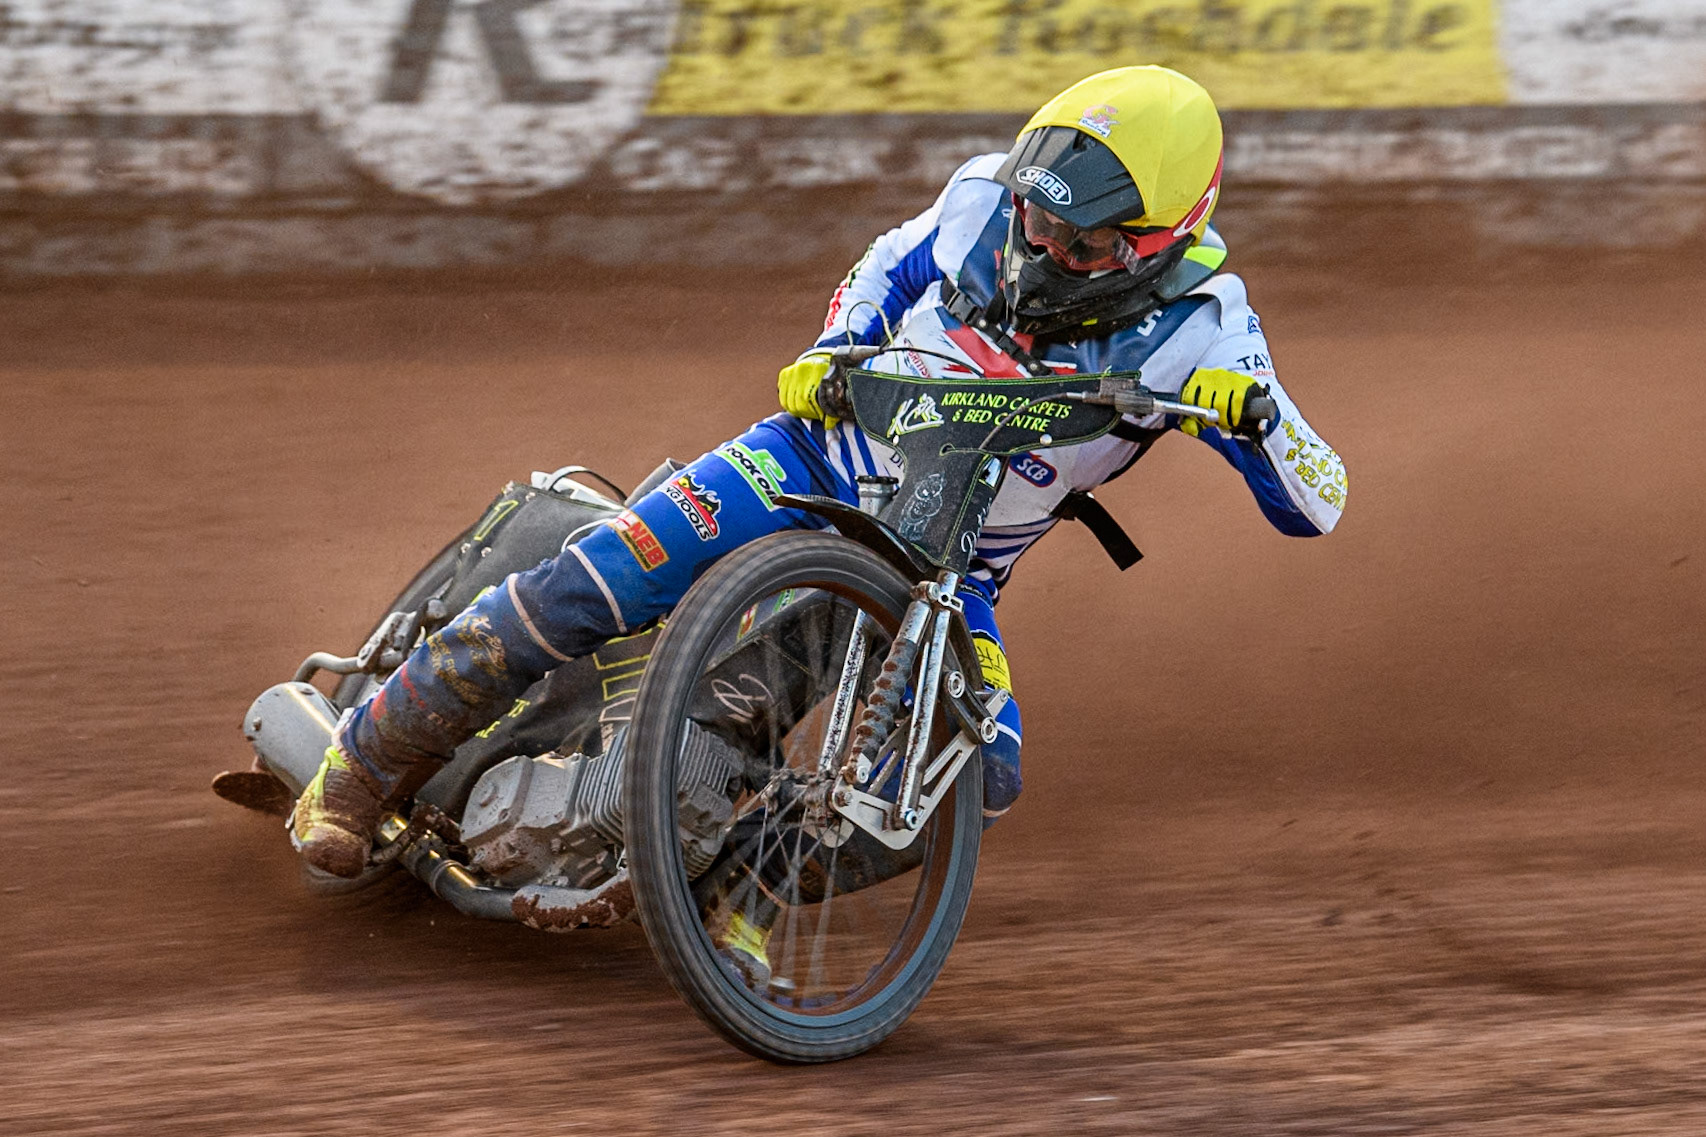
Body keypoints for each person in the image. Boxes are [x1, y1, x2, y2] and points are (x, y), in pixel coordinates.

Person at [290, 65, 1347, 966]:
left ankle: (736, 897)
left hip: (949, 575)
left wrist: (1252, 423)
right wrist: (836, 347)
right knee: (594, 580)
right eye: (1035, 216)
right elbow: (886, 262)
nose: (1042, 247)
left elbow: (1321, 500)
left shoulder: (1208, 328)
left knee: (972, 777)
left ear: (1166, 237)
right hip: (802, 461)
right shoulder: (983, 196)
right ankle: (360, 772)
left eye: (1082, 242)